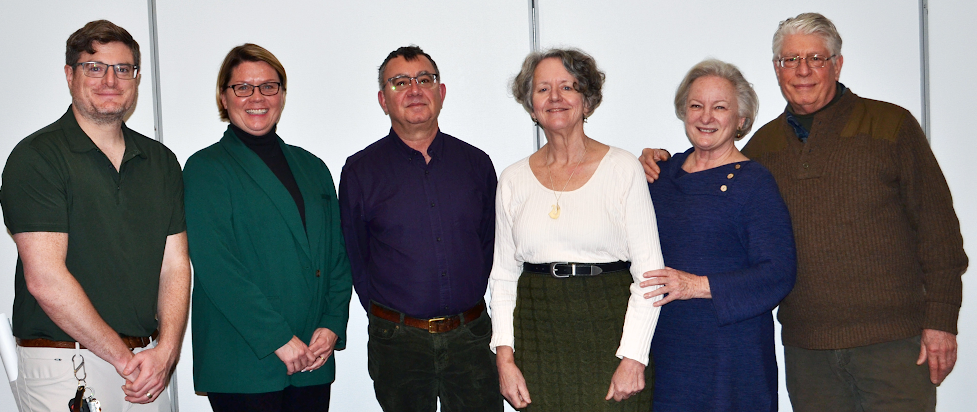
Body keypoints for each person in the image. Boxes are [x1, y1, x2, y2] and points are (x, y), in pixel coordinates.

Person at [640, 13, 967, 412]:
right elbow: (710, 186)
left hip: (894, 343)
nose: (803, 70)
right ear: (777, 69)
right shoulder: (761, 149)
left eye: (815, 58)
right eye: (790, 60)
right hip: (807, 350)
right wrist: (653, 160)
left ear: (837, 64)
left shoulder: (890, 126)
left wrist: (942, 321)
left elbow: (940, 233)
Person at [0, 20, 190, 411]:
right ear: (70, 75)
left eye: (123, 69)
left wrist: (166, 352)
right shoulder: (37, 158)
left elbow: (175, 266)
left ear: (136, 78)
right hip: (65, 366)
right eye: (94, 67)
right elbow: (46, 281)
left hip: (147, 365)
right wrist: (124, 360)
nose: (110, 80)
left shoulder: (161, 162)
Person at [491, 48, 664, 412]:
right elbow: (504, 278)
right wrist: (505, 360)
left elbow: (650, 274)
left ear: (587, 100)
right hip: (537, 338)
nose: (555, 97)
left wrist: (634, 357)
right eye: (543, 89)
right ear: (531, 103)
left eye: (567, 87)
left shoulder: (623, 169)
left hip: (609, 333)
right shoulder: (512, 179)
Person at [184, 43, 353, 412]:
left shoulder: (313, 168)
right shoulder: (205, 169)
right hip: (244, 362)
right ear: (224, 97)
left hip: (312, 357)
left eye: (269, 86)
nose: (257, 97)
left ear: (282, 94)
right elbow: (217, 269)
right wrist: (278, 338)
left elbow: (337, 257)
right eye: (243, 87)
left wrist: (331, 325)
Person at [339, 46, 501, 412]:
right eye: (400, 82)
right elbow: (355, 255)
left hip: (471, 337)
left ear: (440, 92)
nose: (414, 89)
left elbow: (491, 243)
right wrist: (389, 317)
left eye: (424, 79)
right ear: (384, 99)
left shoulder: (476, 164)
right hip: (397, 341)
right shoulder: (360, 171)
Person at [640, 59, 796, 411]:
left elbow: (779, 272)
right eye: (696, 106)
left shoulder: (754, 182)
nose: (706, 117)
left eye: (719, 107)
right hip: (667, 346)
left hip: (731, 353)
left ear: (741, 119)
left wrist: (695, 285)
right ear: (684, 112)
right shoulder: (660, 175)